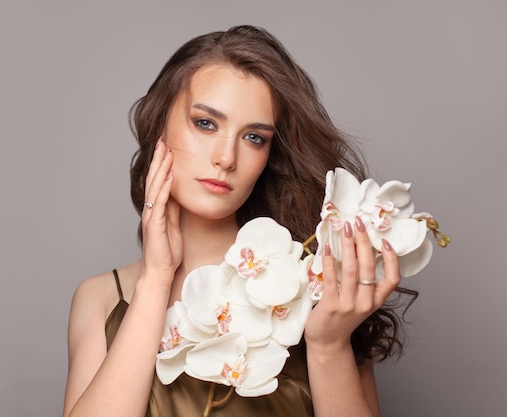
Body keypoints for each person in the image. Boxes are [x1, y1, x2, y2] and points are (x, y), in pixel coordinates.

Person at [62, 25, 415, 417]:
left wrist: (328, 346)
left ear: (269, 155)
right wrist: (156, 280)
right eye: (206, 124)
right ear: (160, 122)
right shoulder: (101, 300)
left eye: (254, 138)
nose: (227, 158)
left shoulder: (320, 289)